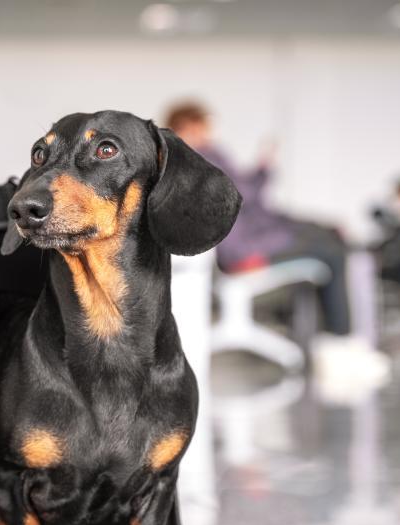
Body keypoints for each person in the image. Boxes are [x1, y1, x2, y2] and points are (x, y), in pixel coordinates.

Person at [165, 102, 387, 377]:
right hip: (242, 251)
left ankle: (337, 342)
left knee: (327, 239)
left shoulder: (182, 159)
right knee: (332, 252)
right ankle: (339, 347)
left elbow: (248, 198)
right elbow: (244, 194)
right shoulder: (204, 154)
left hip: (243, 241)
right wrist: (264, 168)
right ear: (189, 126)